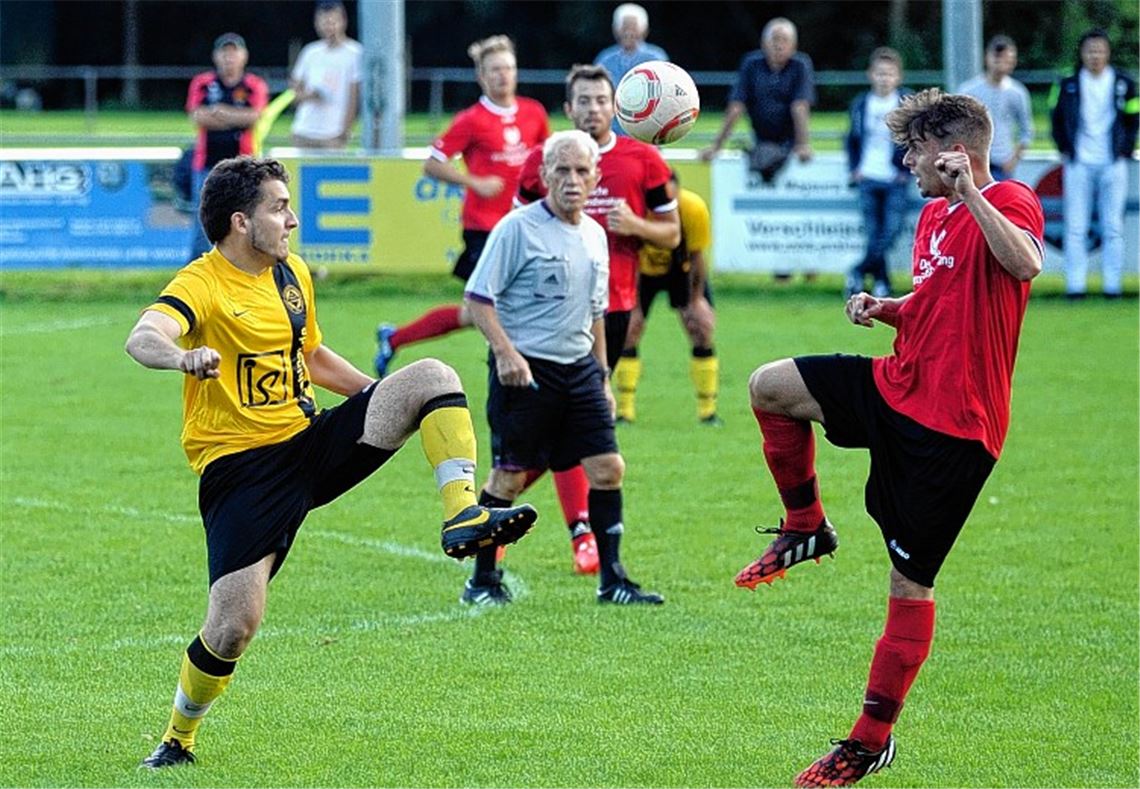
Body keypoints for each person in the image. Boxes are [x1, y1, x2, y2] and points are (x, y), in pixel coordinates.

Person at [128, 156, 538, 769]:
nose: (291, 219)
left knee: (431, 376)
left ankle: (463, 515)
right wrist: (181, 358)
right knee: (234, 627)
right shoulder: (202, 282)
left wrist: (378, 398)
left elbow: (311, 354)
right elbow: (144, 336)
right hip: (241, 473)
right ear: (241, 222)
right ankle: (178, 739)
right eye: (278, 208)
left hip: (310, 444)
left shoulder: (290, 273)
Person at [734, 89, 1043, 786]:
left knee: (908, 585)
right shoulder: (932, 215)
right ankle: (805, 524)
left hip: (956, 429)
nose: (906, 161)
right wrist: (890, 308)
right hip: (898, 384)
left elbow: (1023, 265)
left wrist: (972, 194)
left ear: (954, 151)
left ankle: (869, 741)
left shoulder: (1010, 201)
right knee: (769, 387)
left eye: (915, 150)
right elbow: (941, 303)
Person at [488, 63, 677, 595]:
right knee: (556, 444)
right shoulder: (542, 164)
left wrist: (635, 225)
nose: (592, 109)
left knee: (584, 441)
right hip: (542, 326)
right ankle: (546, 533)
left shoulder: (643, 158)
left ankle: (587, 549)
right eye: (583, 101)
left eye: (601, 100)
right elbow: (519, 234)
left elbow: (672, 233)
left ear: (615, 106)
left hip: (608, 313)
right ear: (568, 109)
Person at [372, 35, 549, 375]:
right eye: (495, 70)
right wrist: (474, 182)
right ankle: (510, 367)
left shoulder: (534, 112)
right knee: (497, 307)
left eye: (509, 68)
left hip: (527, 223)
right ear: (482, 76)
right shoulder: (471, 119)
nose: (503, 75)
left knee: (478, 311)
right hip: (484, 226)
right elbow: (433, 163)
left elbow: (545, 159)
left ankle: (394, 338)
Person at [615, 170, 720, 425]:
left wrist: (696, 300)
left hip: (681, 270)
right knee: (629, 330)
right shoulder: (633, 210)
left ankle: (708, 412)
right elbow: (627, 255)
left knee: (701, 328)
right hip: (642, 272)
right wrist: (633, 305)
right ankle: (624, 413)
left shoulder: (693, 208)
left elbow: (697, 256)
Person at [1050, 28, 1139, 300]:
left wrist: (1124, 149)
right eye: (1090, 50)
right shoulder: (1068, 83)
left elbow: (1134, 116)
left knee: (1113, 226)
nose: (1095, 56)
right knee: (1075, 226)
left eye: (1100, 50)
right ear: (1082, 53)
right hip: (1079, 162)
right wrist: (1065, 148)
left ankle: (1112, 286)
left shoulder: (1124, 82)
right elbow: (1055, 117)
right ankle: (1074, 286)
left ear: (1108, 52)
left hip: (1112, 162)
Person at [185, 33, 268, 262]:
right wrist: (234, 118)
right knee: (203, 224)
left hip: (244, 167)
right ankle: (196, 277)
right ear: (215, 56)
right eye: (224, 52)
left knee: (246, 222)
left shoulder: (253, 85)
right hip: (207, 165)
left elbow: (253, 117)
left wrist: (220, 112)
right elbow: (198, 116)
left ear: (244, 56)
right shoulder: (203, 83)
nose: (229, 58)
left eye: (234, 52)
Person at [701, 17, 815, 180]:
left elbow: (800, 106)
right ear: (763, 43)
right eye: (775, 39)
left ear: (794, 46)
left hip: (790, 142)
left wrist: (802, 144)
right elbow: (736, 106)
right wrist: (717, 146)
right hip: (760, 139)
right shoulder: (751, 64)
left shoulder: (800, 65)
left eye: (785, 40)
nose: (779, 45)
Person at [844, 47, 913, 300]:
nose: (884, 78)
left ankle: (858, 271)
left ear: (898, 77)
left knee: (891, 231)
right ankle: (882, 283)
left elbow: (915, 138)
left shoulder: (906, 103)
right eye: (880, 73)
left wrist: (907, 168)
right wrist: (854, 169)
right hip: (868, 176)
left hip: (895, 178)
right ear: (870, 75)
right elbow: (851, 139)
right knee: (874, 233)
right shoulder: (861, 104)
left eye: (889, 74)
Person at [958, 35, 1034, 181]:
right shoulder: (968, 91)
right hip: (973, 163)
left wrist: (1014, 159)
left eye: (1007, 58)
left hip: (1003, 162)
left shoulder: (1017, 92)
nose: (1001, 63)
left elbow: (1027, 130)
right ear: (987, 58)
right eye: (997, 57)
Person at [288, 0, 362, 149]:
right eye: (324, 21)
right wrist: (310, 96)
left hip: (332, 134)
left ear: (343, 21)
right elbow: (294, 90)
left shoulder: (355, 53)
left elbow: (354, 95)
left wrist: (345, 131)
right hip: (303, 131)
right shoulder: (310, 52)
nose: (329, 26)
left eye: (333, 21)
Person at [594, 3, 668, 135]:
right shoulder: (605, 59)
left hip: (647, 128)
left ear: (644, 30)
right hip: (612, 129)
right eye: (624, 26)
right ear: (615, 29)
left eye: (633, 26)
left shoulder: (656, 57)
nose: (629, 32)